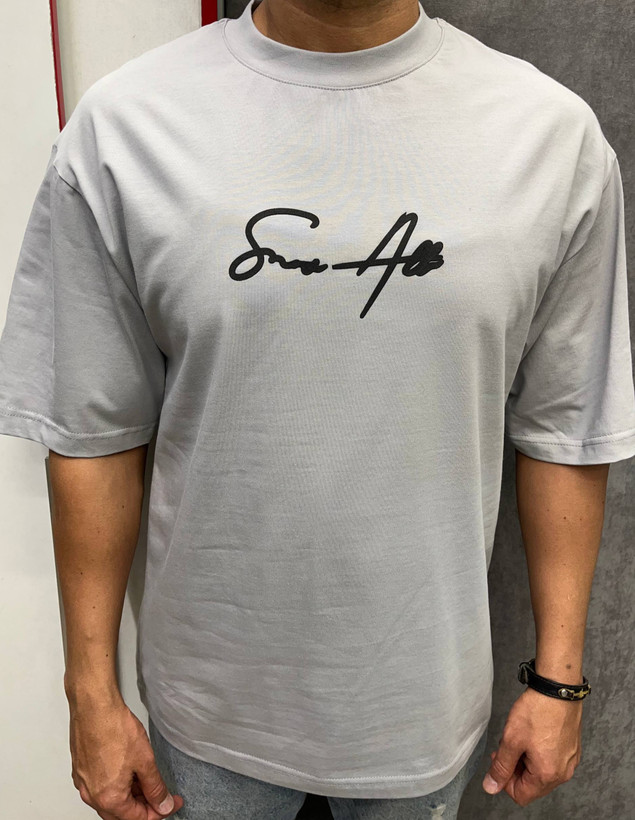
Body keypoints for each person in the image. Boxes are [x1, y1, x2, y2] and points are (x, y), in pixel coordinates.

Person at [1, 0, 634, 816]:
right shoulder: (124, 126)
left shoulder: (549, 137)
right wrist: (91, 694)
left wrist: (559, 679)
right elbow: (92, 435)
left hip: (419, 708)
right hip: (207, 714)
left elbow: (565, 430)